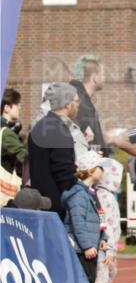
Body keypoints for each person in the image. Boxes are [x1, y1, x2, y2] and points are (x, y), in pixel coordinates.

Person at [27, 83, 78, 218]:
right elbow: (64, 174)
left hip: (41, 204)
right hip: (57, 209)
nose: (78, 105)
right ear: (67, 104)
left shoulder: (39, 126)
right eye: (76, 101)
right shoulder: (58, 130)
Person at [61, 151, 107, 283]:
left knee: (89, 282)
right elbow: (78, 222)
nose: (103, 170)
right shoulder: (79, 195)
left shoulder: (89, 192)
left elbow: (96, 218)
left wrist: (102, 237)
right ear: (90, 170)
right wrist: (87, 246)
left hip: (89, 248)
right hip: (81, 250)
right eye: (100, 166)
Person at [93, 158, 124, 283]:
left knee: (110, 273)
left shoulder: (105, 195)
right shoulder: (104, 197)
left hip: (109, 245)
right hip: (105, 246)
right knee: (102, 276)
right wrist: (110, 248)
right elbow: (107, 225)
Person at [1, 88, 27, 178]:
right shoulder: (6, 133)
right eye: (17, 104)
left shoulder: (11, 129)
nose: (19, 107)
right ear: (7, 108)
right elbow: (25, 158)